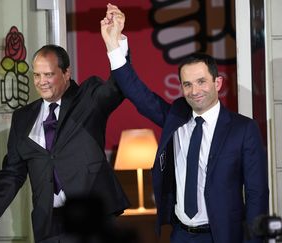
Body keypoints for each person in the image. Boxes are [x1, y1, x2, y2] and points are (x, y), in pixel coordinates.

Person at [102, 4, 269, 243]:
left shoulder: (243, 129)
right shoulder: (176, 117)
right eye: (187, 84)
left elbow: (257, 194)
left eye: (201, 82)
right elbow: (137, 93)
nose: (195, 90)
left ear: (218, 83)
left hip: (222, 236)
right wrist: (114, 43)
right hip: (180, 235)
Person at [0, 9, 131, 242]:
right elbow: (13, 173)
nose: (41, 82)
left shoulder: (88, 98)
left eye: (48, 75)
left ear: (66, 73)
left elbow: (118, 87)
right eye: (36, 75)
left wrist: (115, 42)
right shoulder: (23, 117)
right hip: (49, 224)